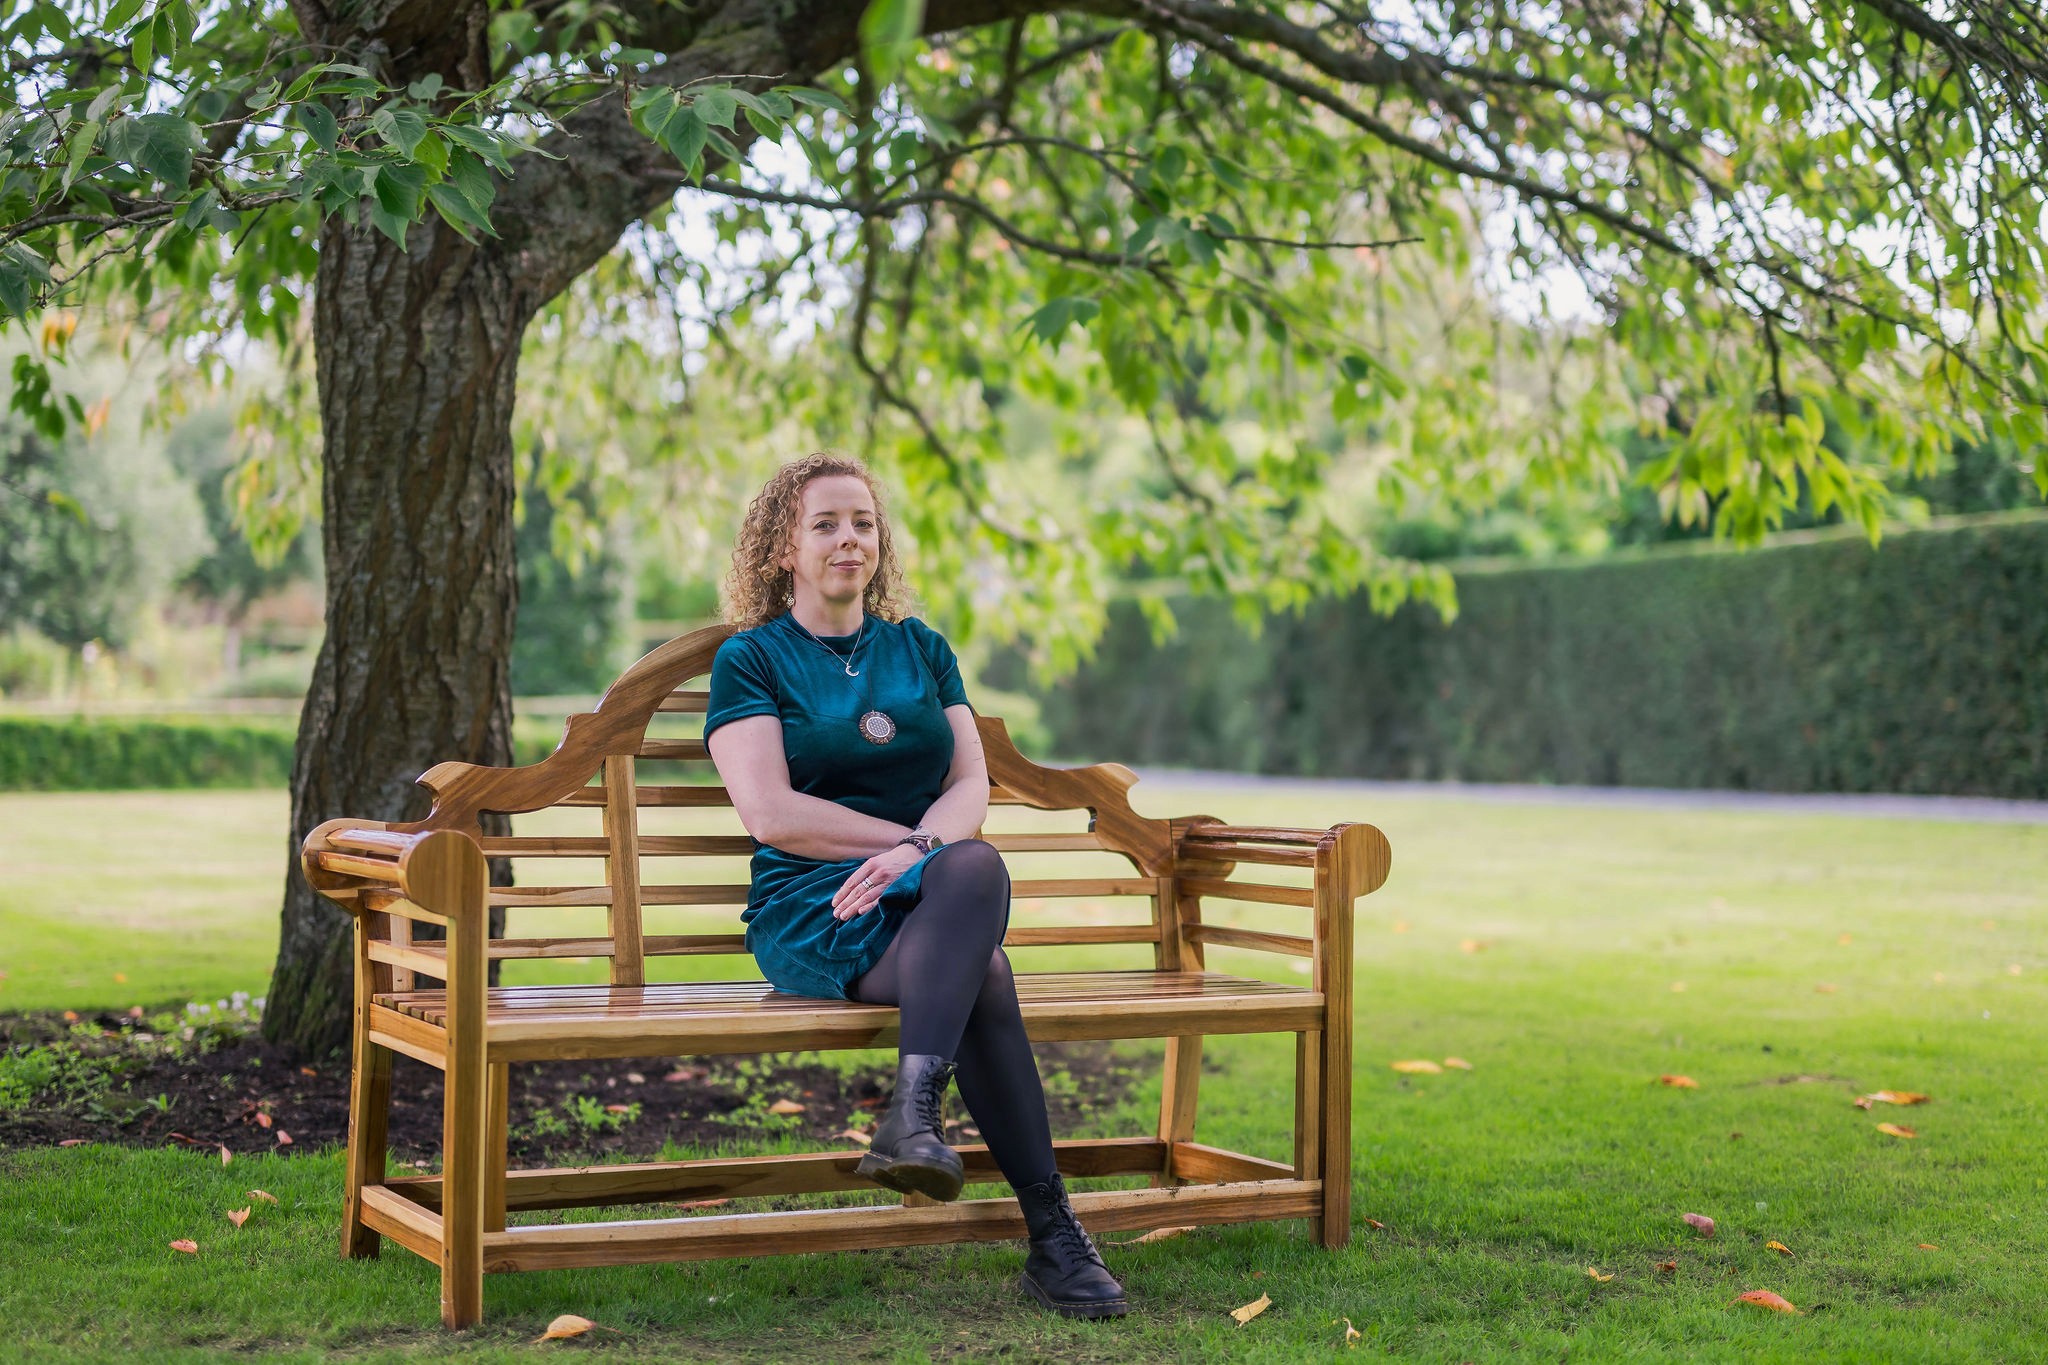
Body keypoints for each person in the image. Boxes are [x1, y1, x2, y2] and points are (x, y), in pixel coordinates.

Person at [701, 453, 1128, 1319]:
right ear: (784, 545)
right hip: (816, 904)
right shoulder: (751, 660)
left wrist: (924, 850)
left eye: (861, 521)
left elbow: (972, 785)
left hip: (931, 891)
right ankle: (1051, 1232)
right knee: (986, 963)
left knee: (974, 865)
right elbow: (771, 812)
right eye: (824, 524)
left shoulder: (922, 648)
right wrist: (909, 844)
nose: (847, 539)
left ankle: (914, 1121)